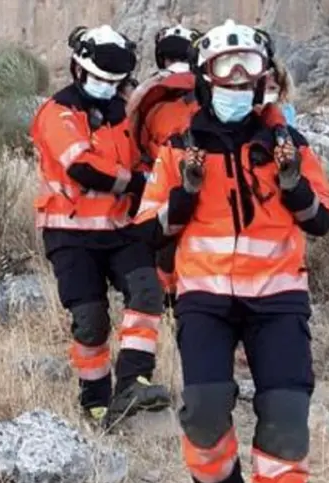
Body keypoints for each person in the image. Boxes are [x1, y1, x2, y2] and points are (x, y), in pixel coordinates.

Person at [133, 19, 329, 483]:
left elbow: (323, 221)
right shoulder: (179, 151)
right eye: (226, 77)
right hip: (205, 299)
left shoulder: (290, 144)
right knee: (203, 413)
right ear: (205, 81)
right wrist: (180, 201)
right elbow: (146, 233)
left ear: (261, 82)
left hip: (278, 300)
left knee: (287, 424)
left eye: (246, 78)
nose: (236, 87)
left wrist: (294, 189)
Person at [28, 24, 171, 429]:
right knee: (91, 320)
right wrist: (139, 182)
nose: (106, 87)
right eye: (98, 79)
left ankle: (133, 381)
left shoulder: (124, 114)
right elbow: (83, 167)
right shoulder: (57, 113)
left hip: (121, 228)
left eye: (114, 81)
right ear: (77, 70)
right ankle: (95, 402)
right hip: (70, 233)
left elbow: (145, 158)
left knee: (147, 291)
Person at [125, 24, 202, 312]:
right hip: (206, 178)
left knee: (161, 247)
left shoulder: (149, 95)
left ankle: (167, 303)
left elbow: (135, 141)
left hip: (162, 182)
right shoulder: (211, 86)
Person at [262, 60, 297, 125]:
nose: (265, 92)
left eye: (272, 88)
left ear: (282, 90)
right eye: (261, 86)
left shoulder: (287, 111)